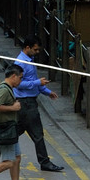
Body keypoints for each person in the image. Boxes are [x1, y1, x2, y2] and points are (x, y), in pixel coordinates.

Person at [12, 39, 64, 172]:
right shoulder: (20, 63)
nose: (37, 52)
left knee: (16, 131)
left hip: (28, 101)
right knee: (37, 134)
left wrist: (47, 92)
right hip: (26, 102)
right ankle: (44, 162)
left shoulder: (30, 60)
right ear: (27, 47)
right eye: (35, 49)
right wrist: (37, 83)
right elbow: (18, 84)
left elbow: (34, 82)